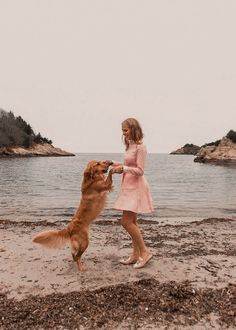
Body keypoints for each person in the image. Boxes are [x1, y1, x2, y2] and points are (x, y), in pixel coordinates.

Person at [111, 118, 154, 269]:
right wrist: (113, 164)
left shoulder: (141, 147)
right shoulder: (130, 146)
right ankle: (136, 254)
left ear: (134, 129)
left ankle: (145, 252)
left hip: (136, 187)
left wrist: (123, 169)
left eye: (126, 130)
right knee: (132, 222)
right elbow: (128, 165)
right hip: (128, 186)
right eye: (122, 130)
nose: (123, 133)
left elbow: (140, 171)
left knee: (126, 222)